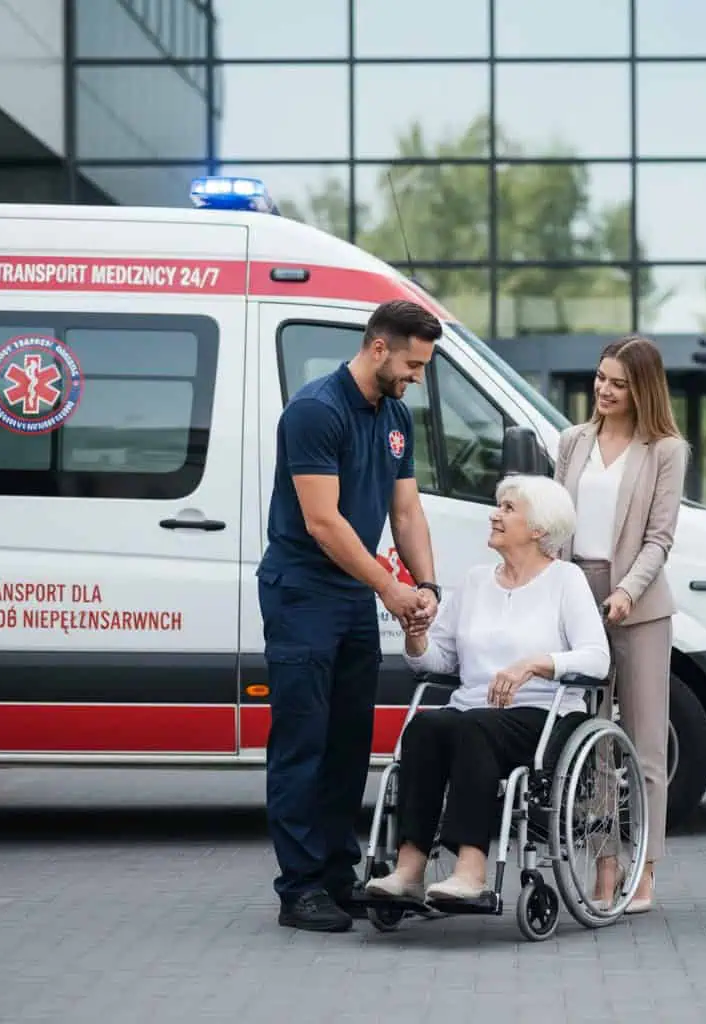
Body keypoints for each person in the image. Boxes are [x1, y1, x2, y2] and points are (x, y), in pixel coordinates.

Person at [257, 299, 444, 933]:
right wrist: (389, 589)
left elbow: (407, 511)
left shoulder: (393, 417)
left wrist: (426, 585)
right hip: (303, 594)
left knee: (346, 745)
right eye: (414, 364)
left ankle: (337, 873)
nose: (418, 377)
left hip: (351, 598)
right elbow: (323, 522)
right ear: (379, 348)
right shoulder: (316, 410)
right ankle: (300, 887)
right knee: (302, 744)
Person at [363, 474, 610, 904]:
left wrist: (536, 665)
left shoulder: (565, 580)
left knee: (474, 728)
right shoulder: (476, 581)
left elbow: (597, 658)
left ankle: (471, 869)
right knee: (426, 728)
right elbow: (436, 662)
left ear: (538, 529)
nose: (495, 515)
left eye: (508, 509)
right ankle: (409, 867)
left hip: (544, 714)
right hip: (474, 709)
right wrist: (415, 636)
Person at [555, 335, 687, 914]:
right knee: (592, 745)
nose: (603, 390)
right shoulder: (572, 441)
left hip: (638, 604)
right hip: (576, 594)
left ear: (643, 389)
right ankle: (604, 870)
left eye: (617, 382)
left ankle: (645, 871)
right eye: (600, 377)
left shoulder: (665, 450)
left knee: (644, 744)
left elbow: (660, 538)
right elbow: (556, 522)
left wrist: (627, 592)